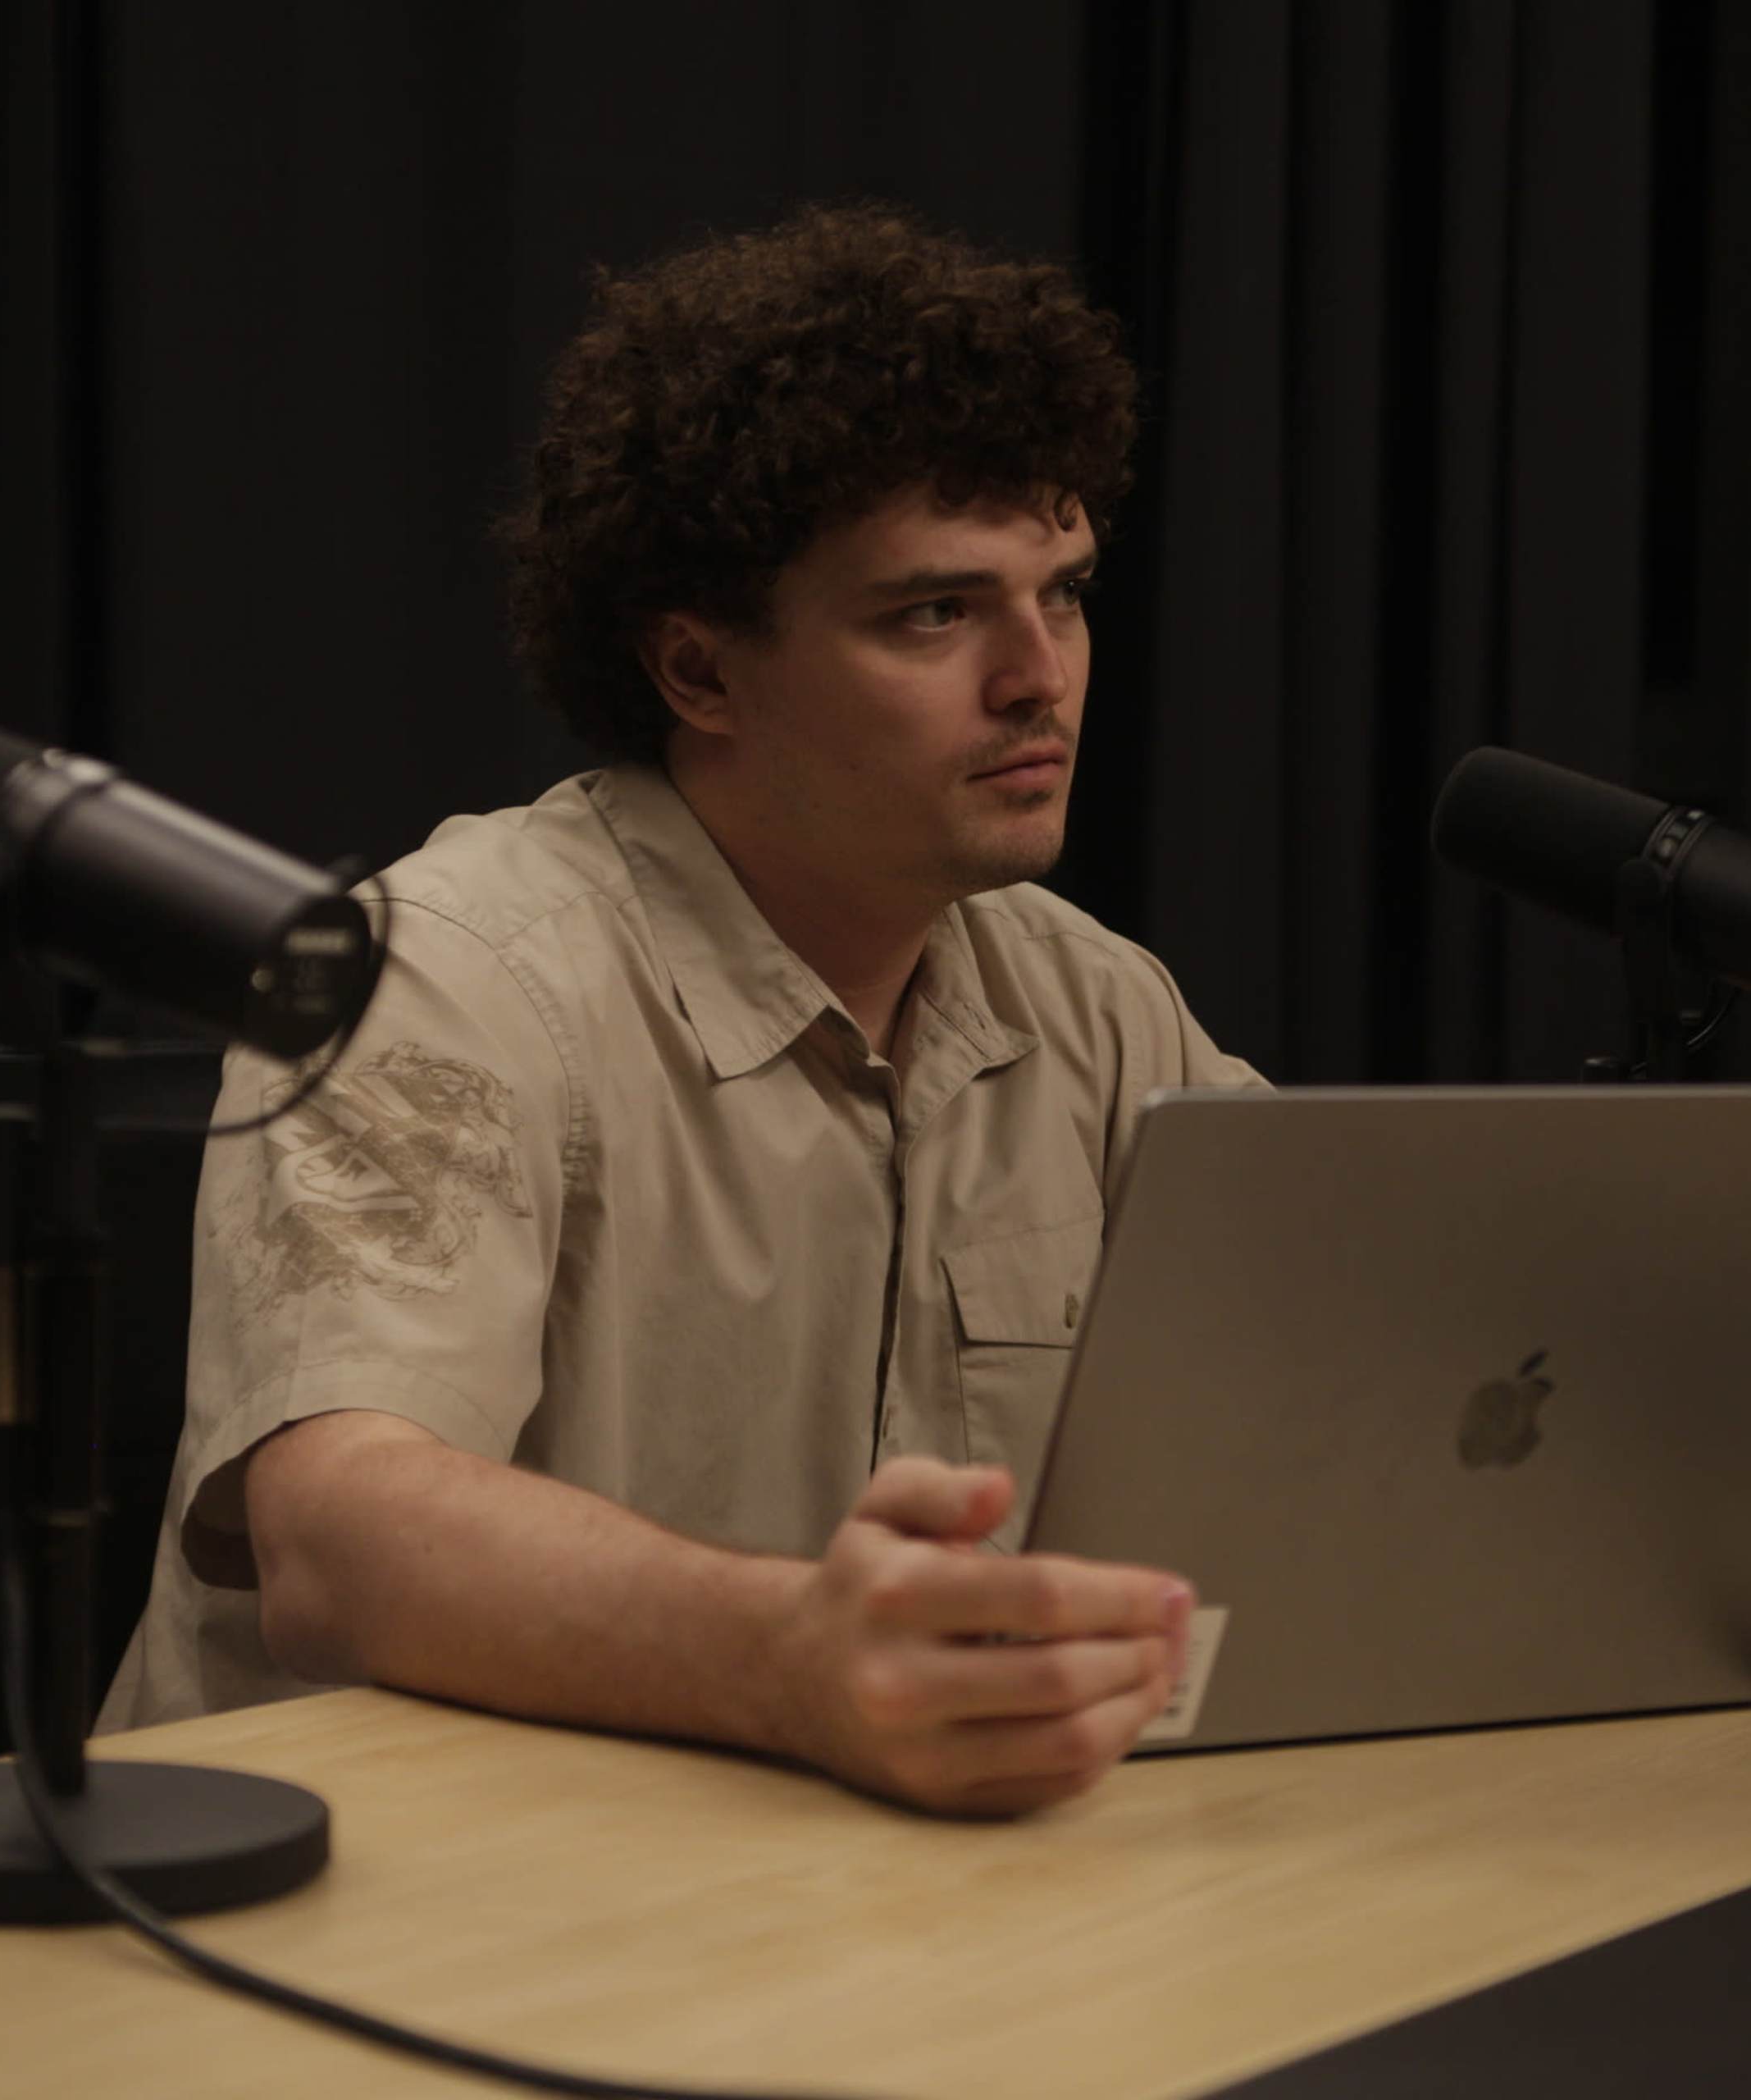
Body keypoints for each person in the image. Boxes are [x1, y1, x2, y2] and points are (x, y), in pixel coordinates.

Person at [101, 205, 1265, 1815]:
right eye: (936, 612)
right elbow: (334, 1534)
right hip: (367, 1910)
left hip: (830, 1899)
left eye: (1061, 593)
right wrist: (794, 1653)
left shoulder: (1096, 1002)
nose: (1038, 674)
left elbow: (1353, 1389)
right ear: (698, 674)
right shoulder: (433, 973)